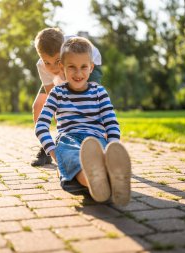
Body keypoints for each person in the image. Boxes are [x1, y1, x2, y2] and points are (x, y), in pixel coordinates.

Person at [35, 37, 131, 206]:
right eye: (71, 67)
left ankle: (108, 178)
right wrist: (53, 153)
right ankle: (99, 183)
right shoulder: (57, 93)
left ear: (91, 67)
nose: (78, 74)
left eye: (83, 67)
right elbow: (41, 125)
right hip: (68, 139)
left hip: (96, 140)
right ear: (62, 68)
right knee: (73, 157)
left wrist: (112, 147)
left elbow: (111, 122)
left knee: (96, 153)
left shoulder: (99, 92)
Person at [31, 27, 103, 166]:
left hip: (84, 63)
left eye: (56, 61)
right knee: (39, 105)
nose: (52, 68)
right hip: (65, 66)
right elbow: (54, 100)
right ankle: (46, 149)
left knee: (89, 103)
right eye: (47, 62)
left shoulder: (74, 51)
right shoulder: (42, 66)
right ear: (41, 57)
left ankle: (97, 145)